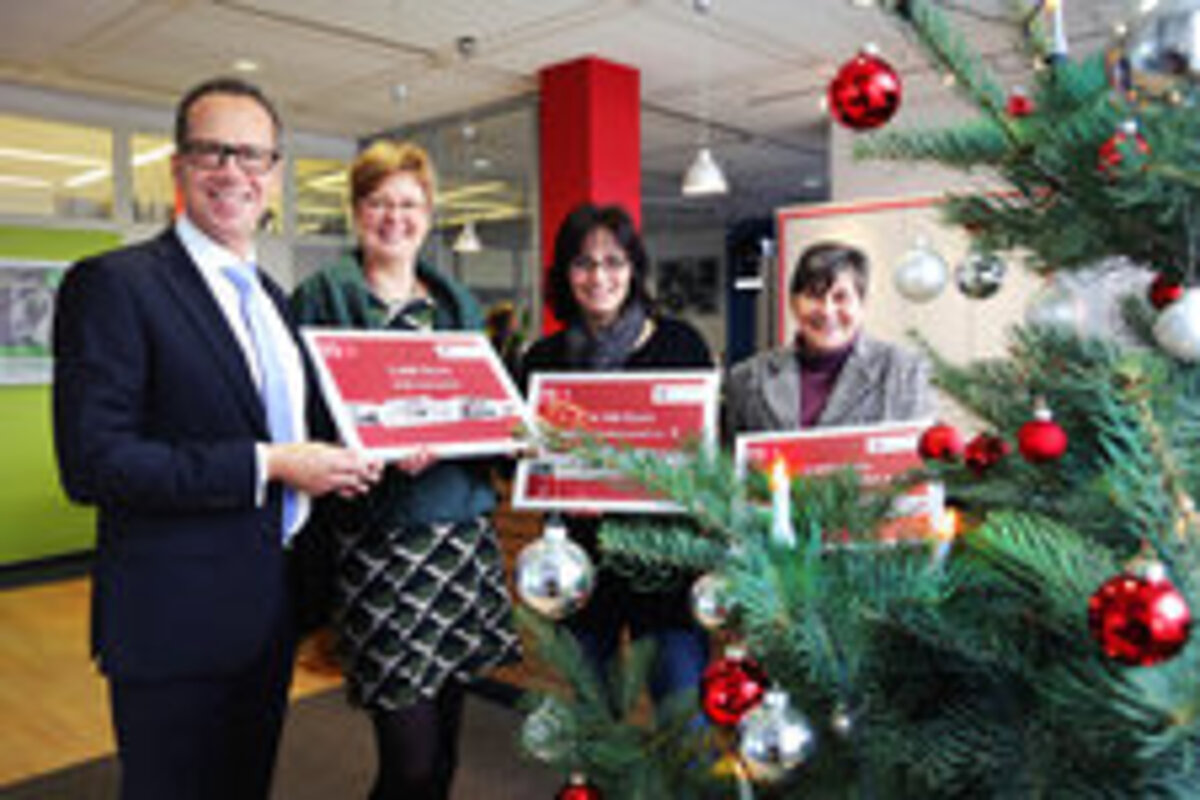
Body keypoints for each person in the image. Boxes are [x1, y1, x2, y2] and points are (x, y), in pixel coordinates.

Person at [51, 76, 381, 800]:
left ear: (274, 175)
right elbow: (95, 461)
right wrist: (269, 464)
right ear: (178, 167)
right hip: (174, 621)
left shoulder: (272, 301)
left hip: (269, 611)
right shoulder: (114, 284)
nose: (233, 171)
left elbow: (299, 430)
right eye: (212, 152)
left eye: (251, 155)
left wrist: (379, 446)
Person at [290, 139, 519, 800]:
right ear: (355, 210)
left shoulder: (455, 303)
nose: (395, 217)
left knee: (444, 754)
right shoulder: (321, 298)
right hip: (381, 550)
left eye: (410, 204)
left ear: (430, 213)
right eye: (379, 202)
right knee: (409, 763)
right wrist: (375, 443)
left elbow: (485, 408)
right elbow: (295, 414)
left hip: (460, 543)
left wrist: (494, 434)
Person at [520, 202, 714, 708]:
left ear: (634, 269)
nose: (599, 277)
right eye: (583, 263)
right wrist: (529, 458)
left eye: (613, 262)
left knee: (683, 723)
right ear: (566, 274)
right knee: (591, 724)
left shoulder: (680, 346)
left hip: (665, 569)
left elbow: (705, 459)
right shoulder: (542, 360)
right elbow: (520, 461)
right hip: (581, 570)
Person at [725, 241, 934, 433]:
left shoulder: (904, 372)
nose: (827, 310)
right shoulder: (747, 379)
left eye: (840, 297)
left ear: (862, 304)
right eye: (814, 295)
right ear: (793, 302)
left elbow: (920, 456)